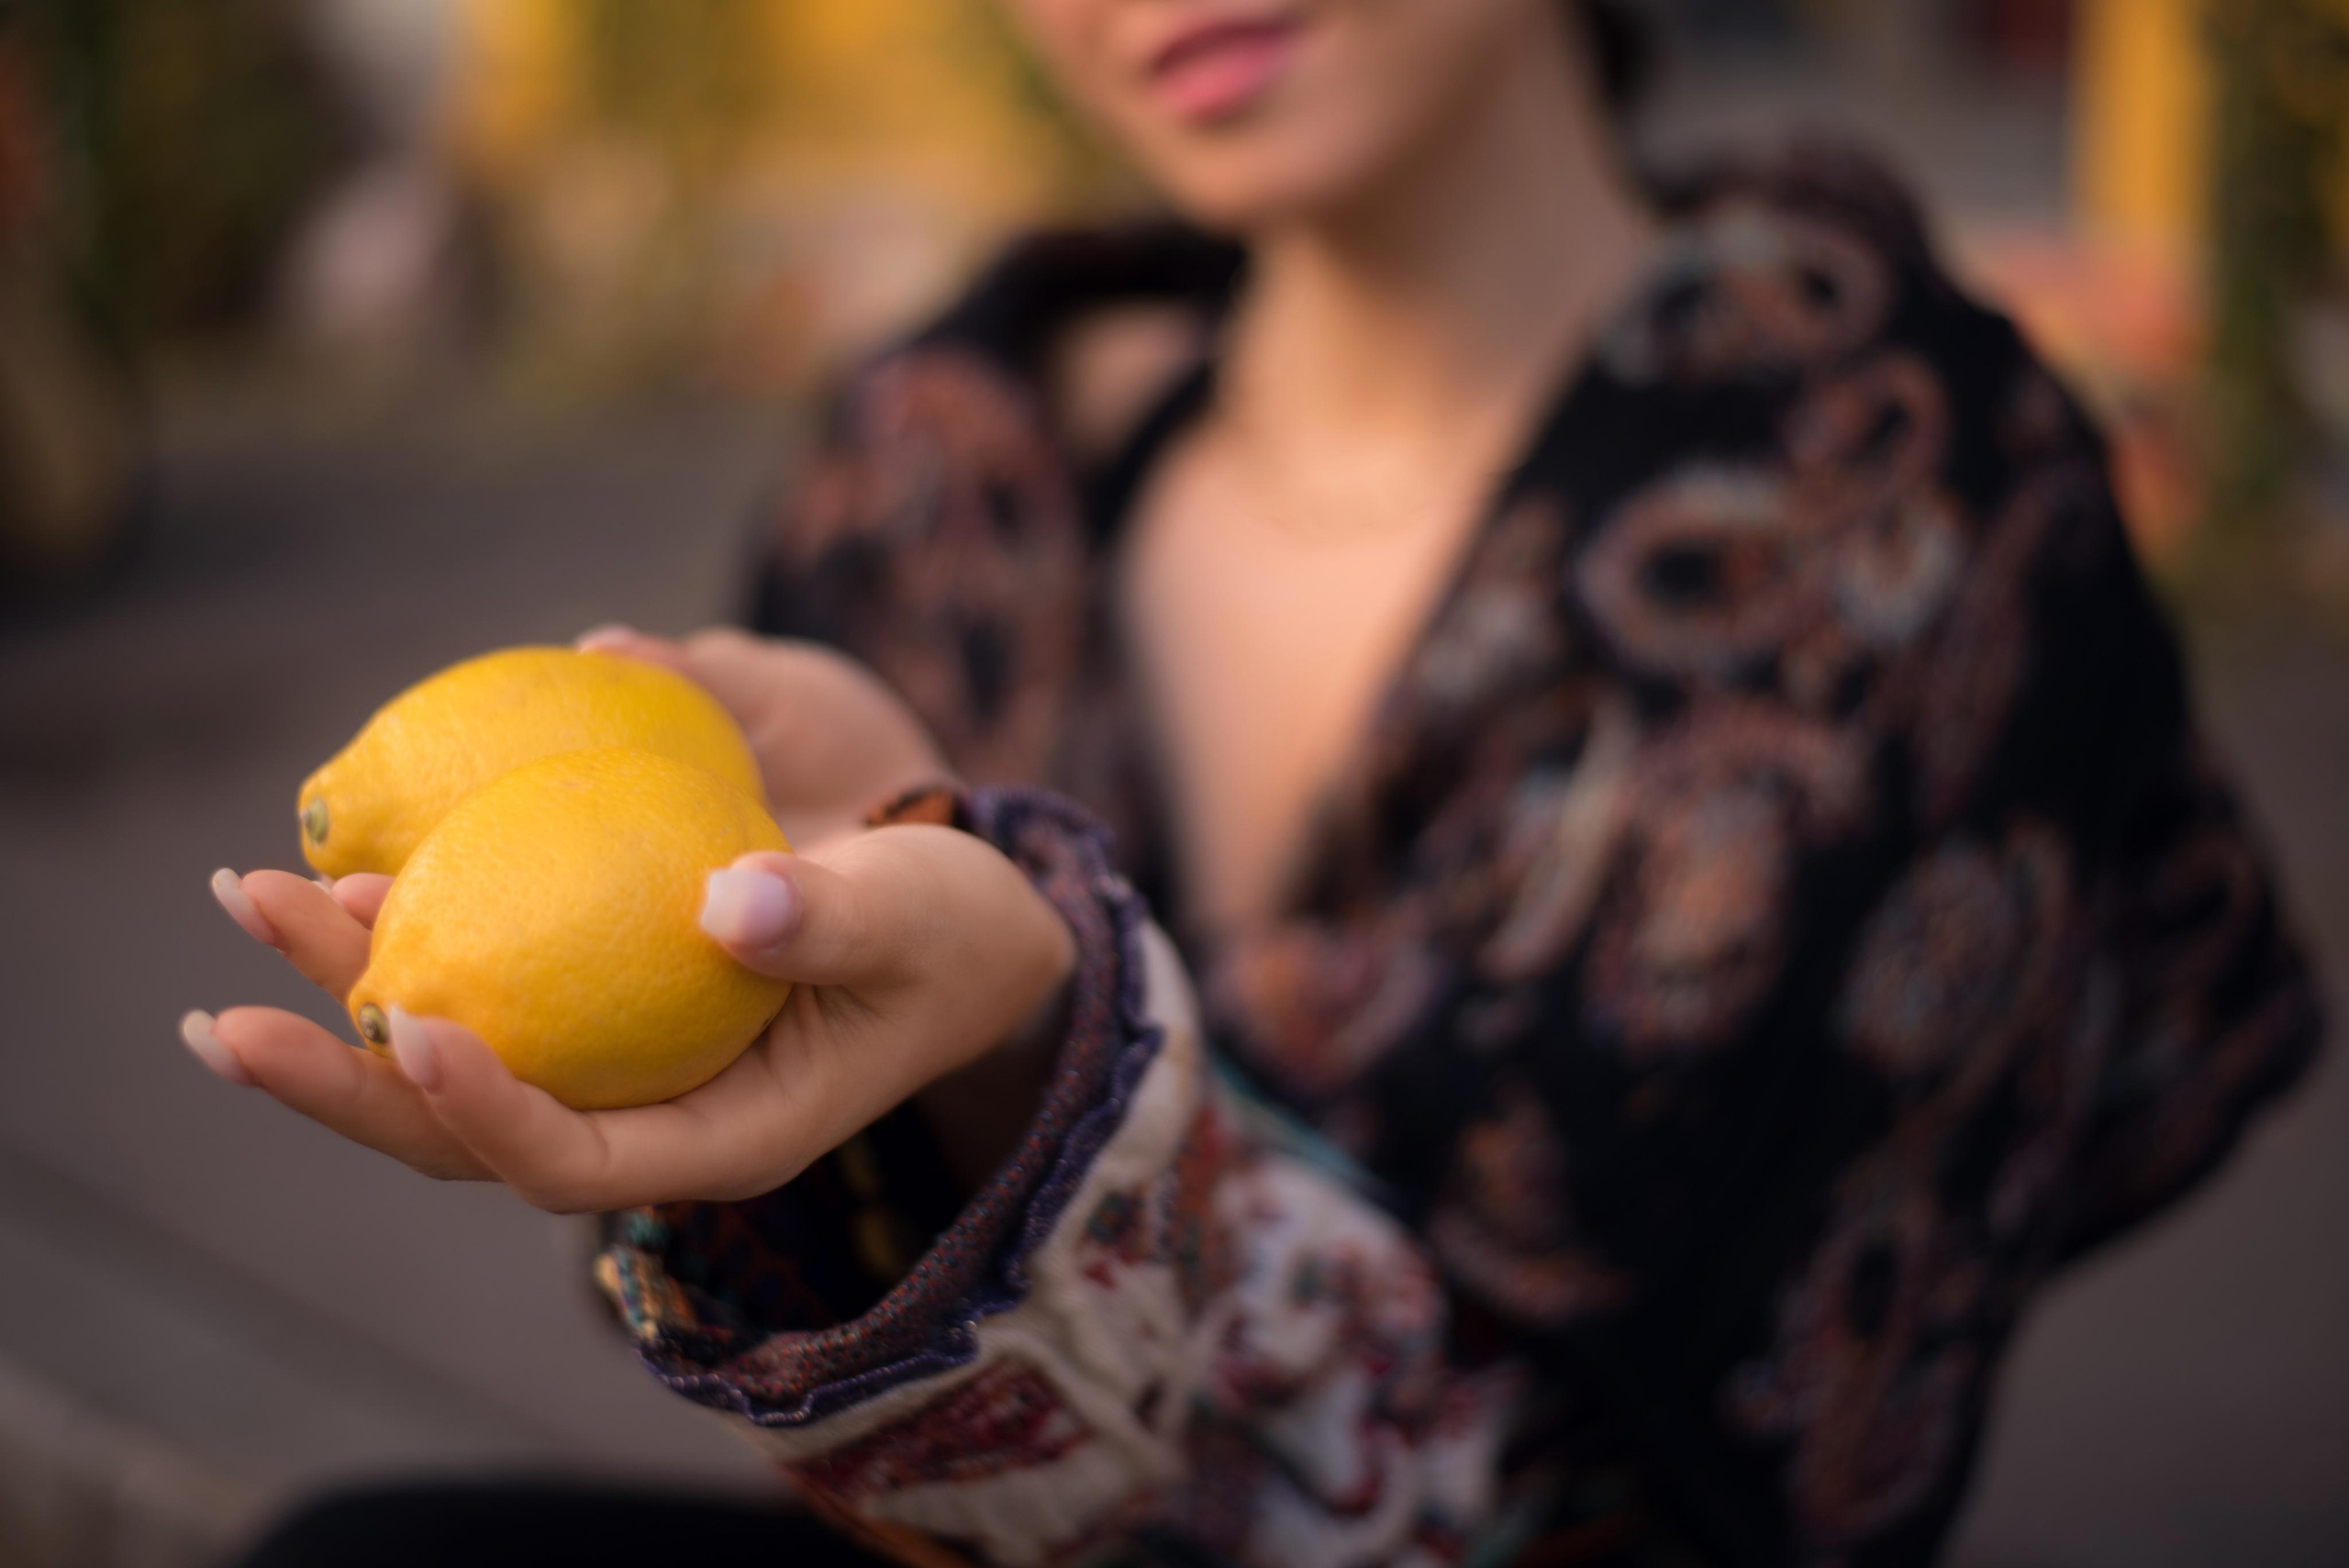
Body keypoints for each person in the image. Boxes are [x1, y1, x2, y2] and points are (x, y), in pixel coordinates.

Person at [191, 2, 2324, 1564]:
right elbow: (677, 1239)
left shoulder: (1903, 507)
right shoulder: (953, 477)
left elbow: (1510, 1491)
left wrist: (1033, 1051)